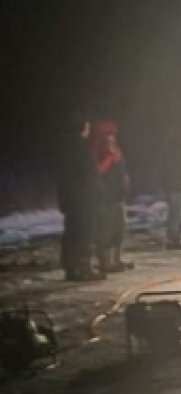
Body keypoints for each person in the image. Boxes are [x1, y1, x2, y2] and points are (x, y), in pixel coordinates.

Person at [56, 117, 103, 281]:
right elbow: (88, 174)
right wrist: (95, 191)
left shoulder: (64, 149)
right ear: (83, 129)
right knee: (84, 233)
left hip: (70, 198)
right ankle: (83, 268)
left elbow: (63, 176)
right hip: (83, 198)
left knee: (71, 232)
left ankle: (70, 267)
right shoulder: (82, 148)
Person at [92, 120, 131, 273]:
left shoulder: (116, 150)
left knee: (118, 230)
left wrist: (125, 179)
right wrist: (110, 158)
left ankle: (116, 259)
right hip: (106, 197)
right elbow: (98, 171)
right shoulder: (98, 151)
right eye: (109, 135)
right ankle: (105, 262)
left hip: (118, 196)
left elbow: (120, 168)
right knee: (105, 231)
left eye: (113, 134)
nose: (112, 137)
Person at [161, 129, 181, 249]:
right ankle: (173, 240)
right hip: (177, 188)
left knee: (175, 214)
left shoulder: (168, 155)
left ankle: (175, 238)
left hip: (174, 188)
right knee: (176, 215)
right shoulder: (178, 157)